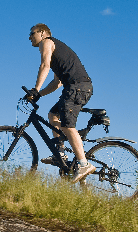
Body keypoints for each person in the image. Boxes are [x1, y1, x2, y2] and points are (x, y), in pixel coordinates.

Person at [24, 23, 95, 183]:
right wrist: (39, 94)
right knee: (53, 114)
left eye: (32, 33)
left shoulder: (46, 42)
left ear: (42, 33)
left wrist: (35, 89)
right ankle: (60, 153)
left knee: (67, 125)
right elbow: (57, 83)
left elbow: (44, 65)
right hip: (76, 87)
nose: (29, 37)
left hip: (78, 87)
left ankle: (83, 163)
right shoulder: (55, 52)